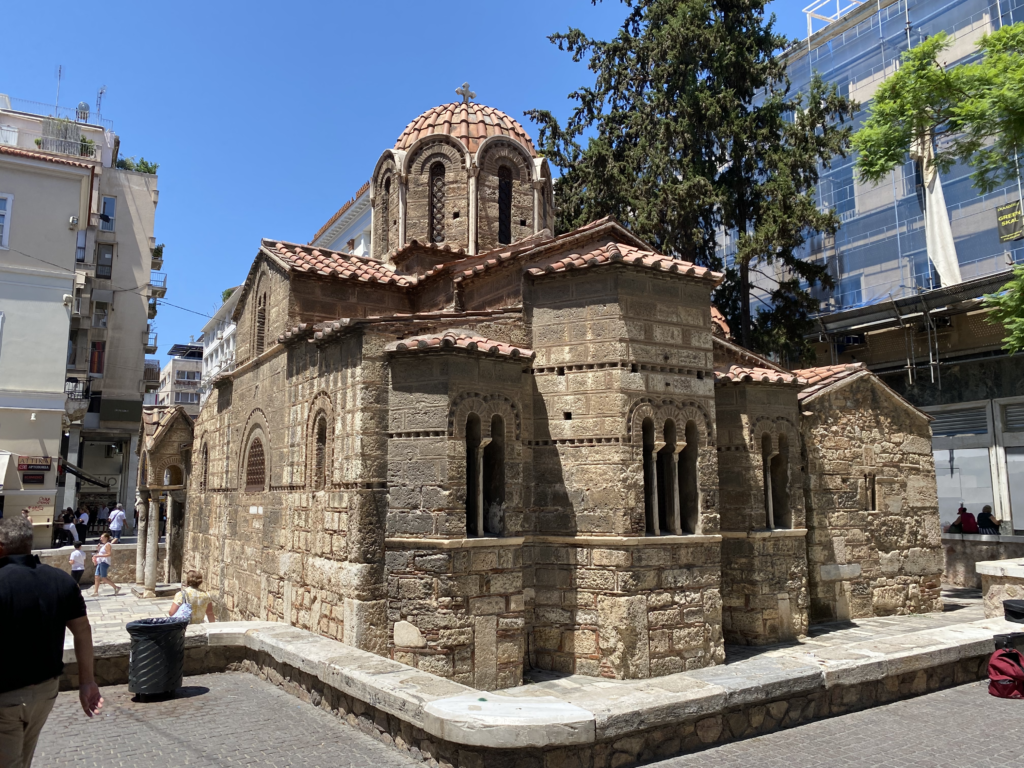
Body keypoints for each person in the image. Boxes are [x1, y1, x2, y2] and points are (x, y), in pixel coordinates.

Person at [0, 516, 103, 767]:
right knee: (23, 758)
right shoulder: (61, 581)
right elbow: (82, 631)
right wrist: (87, 681)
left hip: (5, 696)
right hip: (45, 693)